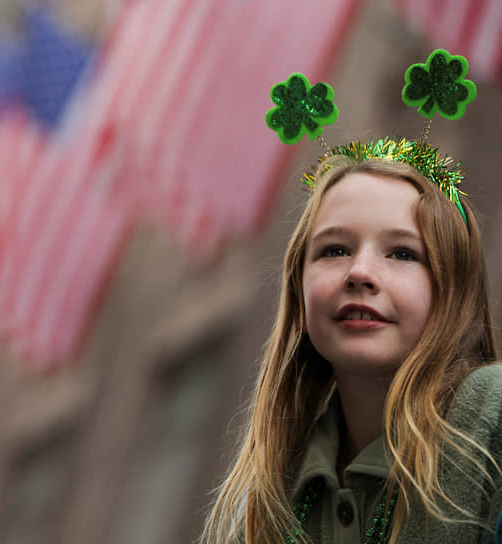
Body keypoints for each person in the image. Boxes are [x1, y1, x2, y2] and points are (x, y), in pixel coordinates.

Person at [201, 152, 501, 543]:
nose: (359, 272)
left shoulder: (491, 419)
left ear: (453, 292)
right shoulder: (267, 501)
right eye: (334, 250)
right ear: (298, 295)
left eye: (403, 253)